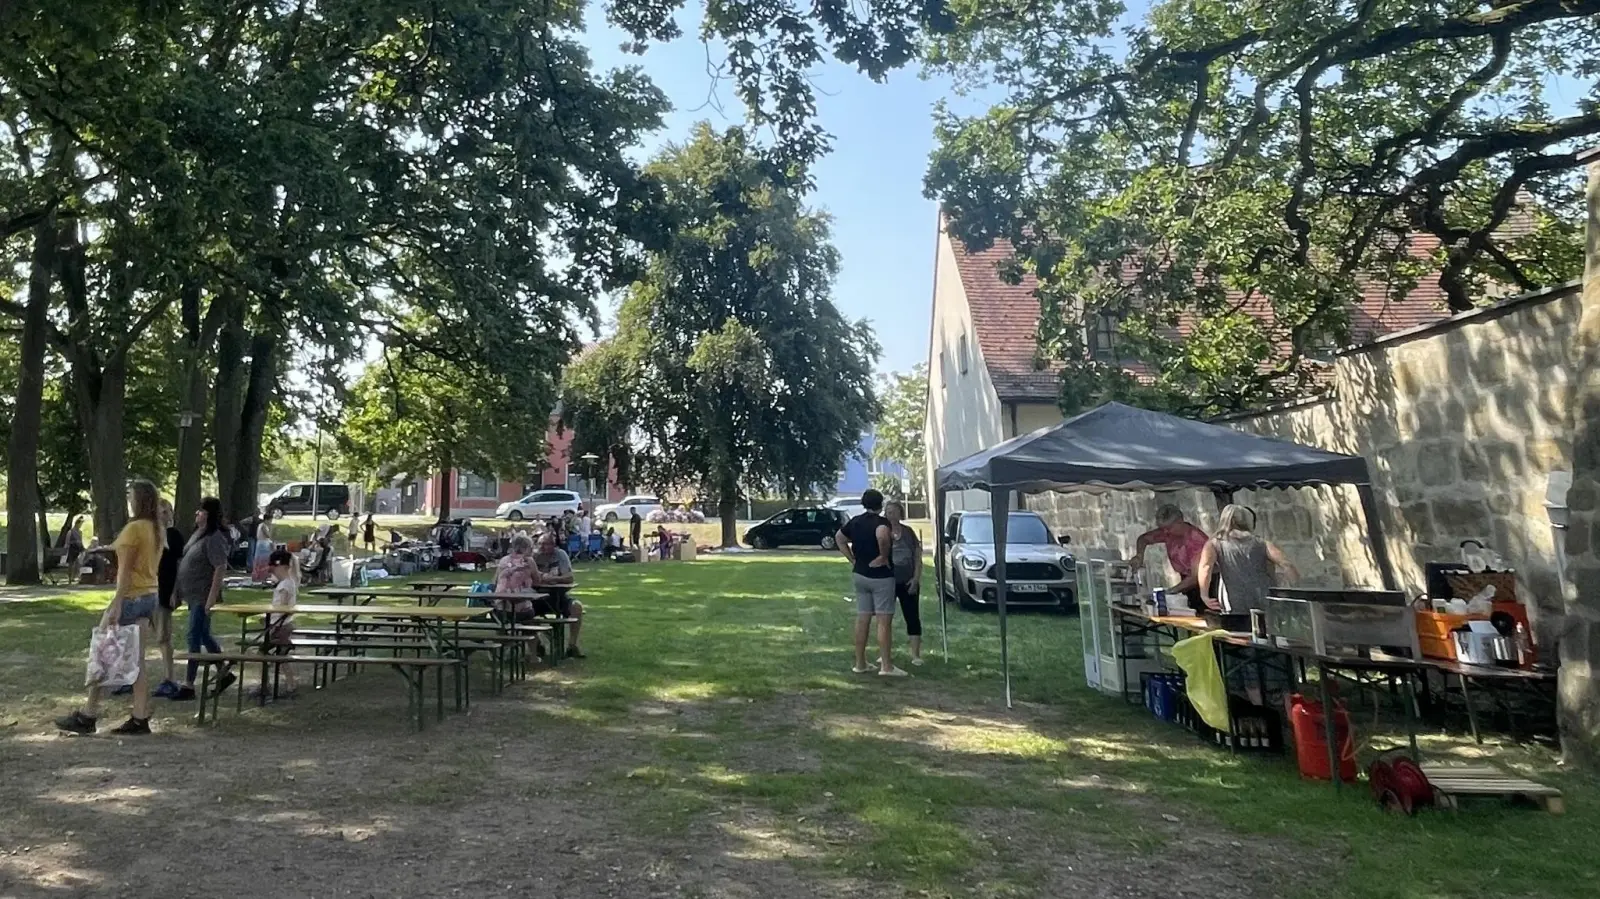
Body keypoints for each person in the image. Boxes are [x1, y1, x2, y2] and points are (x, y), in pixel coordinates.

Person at [56, 480, 165, 735]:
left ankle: (88, 714)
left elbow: (125, 572)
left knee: (103, 652)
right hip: (150, 596)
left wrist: (116, 604)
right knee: (137, 660)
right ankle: (140, 716)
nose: (129, 500)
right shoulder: (156, 529)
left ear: (139, 500)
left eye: (131, 496)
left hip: (131, 597)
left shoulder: (134, 529)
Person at [836, 488, 904, 677]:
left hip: (860, 574)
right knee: (883, 621)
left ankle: (860, 663)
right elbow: (882, 535)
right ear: (880, 504)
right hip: (881, 576)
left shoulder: (855, 521)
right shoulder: (881, 523)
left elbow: (839, 538)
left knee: (863, 617)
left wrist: (852, 559)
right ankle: (886, 666)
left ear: (863, 503)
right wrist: (883, 556)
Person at [176, 497, 234, 701]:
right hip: (192, 595)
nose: (196, 514)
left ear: (208, 514)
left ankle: (189, 684)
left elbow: (220, 567)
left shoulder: (214, 538)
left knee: (194, 635)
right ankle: (224, 672)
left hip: (203, 596)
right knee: (203, 635)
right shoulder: (198, 534)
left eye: (200, 511)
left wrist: (211, 598)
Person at [1196, 504, 1298, 614]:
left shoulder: (1214, 544)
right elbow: (1286, 564)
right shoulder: (1261, 543)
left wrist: (1204, 595)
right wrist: (1295, 590)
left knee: (1238, 625)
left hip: (1233, 600)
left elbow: (1205, 567)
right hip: (1263, 597)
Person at [1131, 504, 1211, 613]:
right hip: (1186, 580)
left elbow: (1195, 577)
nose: (1165, 532)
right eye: (1162, 529)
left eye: (1168, 528)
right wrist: (1139, 555)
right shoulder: (1168, 533)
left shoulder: (1195, 540)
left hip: (1206, 583)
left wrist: (1170, 592)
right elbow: (1143, 539)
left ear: (1180, 522)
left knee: (1202, 613)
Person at [150, 499, 187, 698]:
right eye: (162, 512)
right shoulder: (152, 535)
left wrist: (175, 591)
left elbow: (179, 565)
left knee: (163, 636)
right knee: (148, 634)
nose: (165, 515)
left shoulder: (174, 536)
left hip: (165, 590)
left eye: (168, 511)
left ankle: (169, 678)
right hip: (149, 590)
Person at [531, 532, 585, 658]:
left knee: (577, 607)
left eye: (546, 544)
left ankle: (572, 646)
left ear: (553, 545)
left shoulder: (561, 555)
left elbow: (570, 577)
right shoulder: (533, 557)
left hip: (557, 597)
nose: (542, 547)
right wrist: (544, 579)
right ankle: (537, 646)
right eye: (539, 544)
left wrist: (551, 579)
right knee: (524, 611)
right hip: (536, 597)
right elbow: (528, 577)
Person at [884, 500, 924, 666]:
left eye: (894, 511)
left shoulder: (908, 532)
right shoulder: (882, 532)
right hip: (887, 582)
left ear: (900, 513)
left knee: (912, 617)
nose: (890, 515)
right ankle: (885, 654)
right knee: (885, 619)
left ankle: (915, 655)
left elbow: (917, 557)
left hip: (908, 582)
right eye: (888, 512)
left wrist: (915, 579)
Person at [262, 548, 301, 695]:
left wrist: (272, 623)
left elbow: (282, 608)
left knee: (265, 655)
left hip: (280, 627)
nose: (274, 573)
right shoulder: (288, 583)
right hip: (281, 625)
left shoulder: (285, 585)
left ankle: (268, 685)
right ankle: (289, 684)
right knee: (281, 657)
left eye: (274, 569)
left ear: (282, 567)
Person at [493, 534, 542, 622]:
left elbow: (495, 581)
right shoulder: (528, 561)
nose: (532, 550)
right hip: (522, 610)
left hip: (500, 609)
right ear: (524, 548)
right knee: (531, 609)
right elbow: (537, 582)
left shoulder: (503, 560)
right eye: (531, 548)